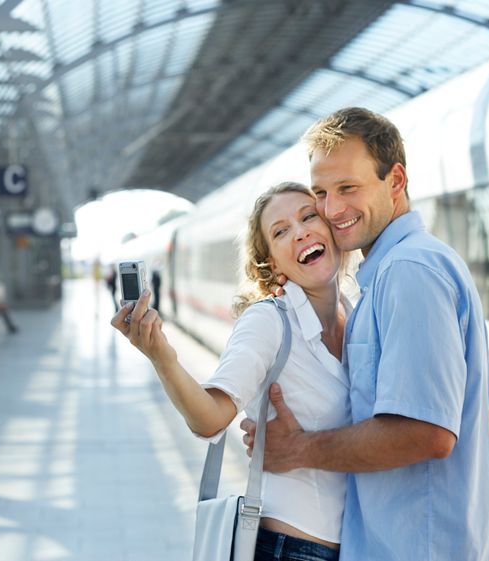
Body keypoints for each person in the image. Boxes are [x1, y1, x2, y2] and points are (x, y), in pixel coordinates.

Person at [240, 107, 489, 560]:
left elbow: (425, 432)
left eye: (348, 188)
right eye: (321, 192)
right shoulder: (386, 275)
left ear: (395, 182)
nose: (332, 209)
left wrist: (298, 449)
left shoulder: (408, 271)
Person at [110, 182, 352, 561]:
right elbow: (210, 419)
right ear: (272, 263)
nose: (301, 230)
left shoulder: (357, 316)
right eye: (281, 230)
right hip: (294, 548)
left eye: (309, 216)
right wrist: (162, 355)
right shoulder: (269, 322)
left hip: (359, 546)